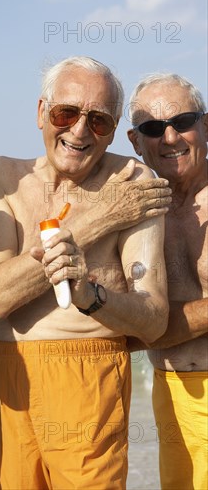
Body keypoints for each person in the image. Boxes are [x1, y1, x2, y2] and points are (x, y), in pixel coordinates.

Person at [0, 56, 171, 489]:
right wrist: (99, 220)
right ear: (41, 112)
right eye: (66, 113)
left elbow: (154, 318)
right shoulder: (2, 177)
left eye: (98, 121)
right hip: (9, 374)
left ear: (116, 127)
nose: (80, 131)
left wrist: (90, 296)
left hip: (89, 374)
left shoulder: (133, 179)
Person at [127, 73, 208, 490]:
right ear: (134, 141)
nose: (170, 137)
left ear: (206, 125)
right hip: (168, 393)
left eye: (184, 121)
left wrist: (151, 329)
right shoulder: (134, 208)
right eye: (153, 128)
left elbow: (141, 327)